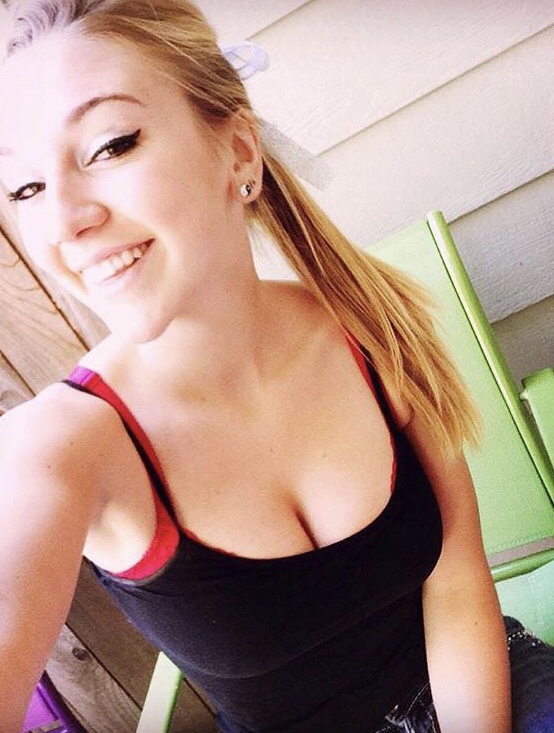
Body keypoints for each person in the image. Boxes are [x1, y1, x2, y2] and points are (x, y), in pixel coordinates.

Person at [0, 1, 552, 732]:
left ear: (238, 151)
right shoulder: (58, 447)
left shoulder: (367, 316)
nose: (65, 220)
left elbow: (453, 581)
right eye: (25, 188)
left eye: (110, 145)